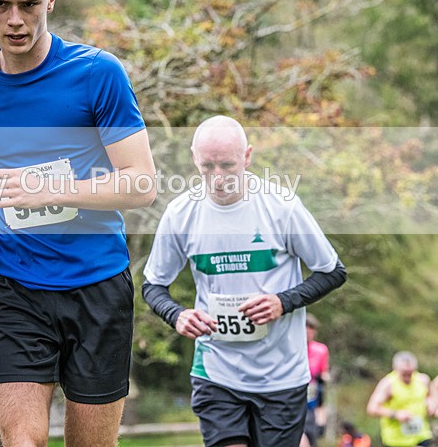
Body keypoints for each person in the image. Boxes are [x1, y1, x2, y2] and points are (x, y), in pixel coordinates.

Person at [0, 0, 157, 447]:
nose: (14, 20)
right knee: (24, 442)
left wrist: (52, 189)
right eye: (1, 4)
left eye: (29, 5)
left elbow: (142, 184)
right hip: (15, 288)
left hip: (97, 285)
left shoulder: (97, 74)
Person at [142, 115, 347, 447]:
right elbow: (153, 285)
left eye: (228, 165)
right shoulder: (182, 213)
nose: (218, 177)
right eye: (208, 167)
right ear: (194, 157)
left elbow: (333, 271)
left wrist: (283, 301)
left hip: (281, 374)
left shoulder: (282, 207)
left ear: (248, 157)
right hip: (216, 370)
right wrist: (176, 314)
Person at [366, 351, 433, 447]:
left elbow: (429, 397)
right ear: (395, 369)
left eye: (410, 373)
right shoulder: (387, 384)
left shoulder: (423, 379)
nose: (408, 377)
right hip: (397, 440)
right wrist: (395, 414)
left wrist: (431, 405)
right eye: (404, 373)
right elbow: (372, 408)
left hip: (421, 434)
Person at [302, 313, 331, 447]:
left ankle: (321, 421)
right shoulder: (292, 349)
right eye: (306, 328)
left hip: (312, 396)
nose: (309, 332)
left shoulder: (321, 350)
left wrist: (324, 378)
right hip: (293, 393)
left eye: (312, 329)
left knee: (312, 436)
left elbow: (324, 373)